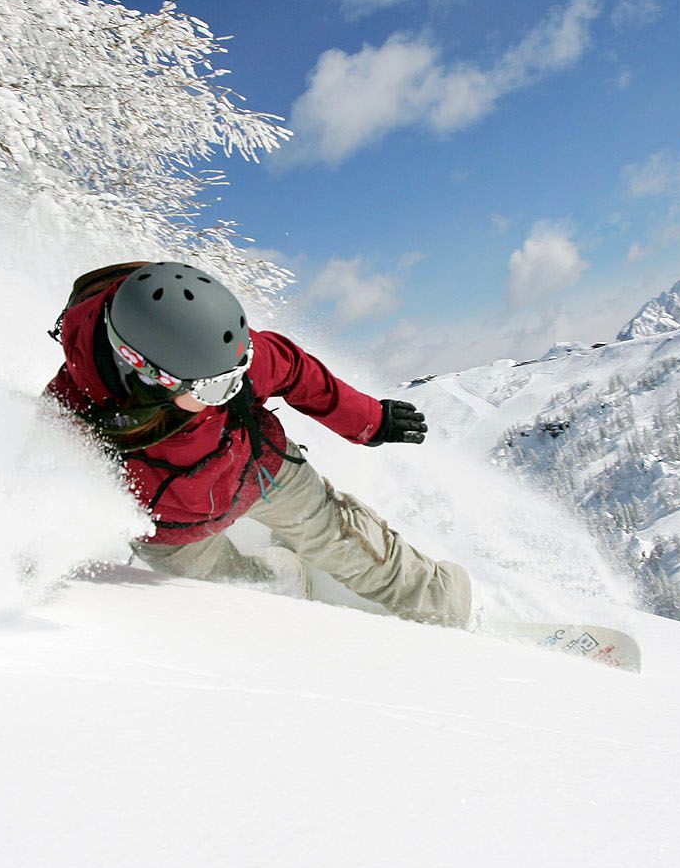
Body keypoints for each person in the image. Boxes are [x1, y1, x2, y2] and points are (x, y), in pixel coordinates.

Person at [45, 261, 471, 628]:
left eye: (239, 372)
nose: (233, 390)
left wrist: (371, 421)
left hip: (263, 470)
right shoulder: (71, 416)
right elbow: (35, 493)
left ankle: (449, 607)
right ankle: (287, 576)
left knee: (349, 542)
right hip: (175, 536)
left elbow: (296, 371)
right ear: (147, 377)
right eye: (215, 387)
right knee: (243, 591)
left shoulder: (223, 353)